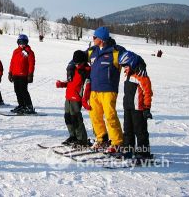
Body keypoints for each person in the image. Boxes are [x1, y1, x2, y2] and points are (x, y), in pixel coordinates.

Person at [87, 26, 126, 154]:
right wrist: (71, 66)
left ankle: (117, 143)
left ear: (102, 39)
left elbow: (132, 59)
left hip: (109, 90)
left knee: (110, 116)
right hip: (94, 90)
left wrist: (139, 64)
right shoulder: (92, 51)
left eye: (95, 37)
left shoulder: (116, 52)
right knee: (94, 116)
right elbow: (78, 58)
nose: (93, 39)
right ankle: (101, 139)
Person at [119, 51, 153, 161]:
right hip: (128, 106)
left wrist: (147, 108)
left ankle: (144, 153)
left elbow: (147, 92)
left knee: (140, 131)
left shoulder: (141, 75)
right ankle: (128, 150)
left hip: (138, 108)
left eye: (126, 66)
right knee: (127, 129)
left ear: (132, 63)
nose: (124, 68)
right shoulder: (128, 74)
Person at [56, 50, 92, 147]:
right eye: (75, 63)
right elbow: (70, 82)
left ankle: (82, 139)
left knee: (76, 118)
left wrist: (84, 100)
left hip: (77, 98)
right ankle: (73, 136)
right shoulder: (73, 69)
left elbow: (87, 87)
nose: (77, 65)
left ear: (84, 61)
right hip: (68, 96)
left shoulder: (86, 71)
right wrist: (62, 84)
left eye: (79, 63)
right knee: (67, 117)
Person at [8, 34, 35, 114]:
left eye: (24, 42)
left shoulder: (29, 52)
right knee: (17, 90)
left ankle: (29, 106)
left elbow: (31, 64)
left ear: (26, 42)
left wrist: (30, 75)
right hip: (15, 75)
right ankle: (22, 105)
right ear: (18, 42)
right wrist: (10, 73)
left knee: (23, 91)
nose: (22, 44)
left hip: (24, 75)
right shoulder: (15, 51)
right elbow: (12, 62)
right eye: (20, 42)